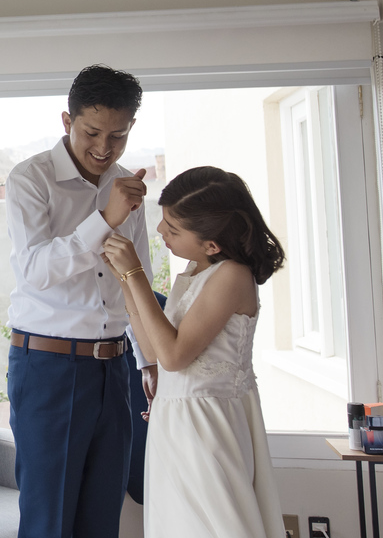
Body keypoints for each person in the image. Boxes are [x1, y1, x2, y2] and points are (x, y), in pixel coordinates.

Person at [4, 65, 157, 538]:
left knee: (102, 519)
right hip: (49, 367)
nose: (104, 148)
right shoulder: (31, 179)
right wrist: (106, 218)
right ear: (67, 121)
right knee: (50, 522)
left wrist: (150, 359)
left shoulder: (128, 184)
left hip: (117, 368)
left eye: (119, 135)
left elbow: (139, 277)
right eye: (92, 132)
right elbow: (35, 270)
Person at [103, 166, 286, 538]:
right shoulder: (197, 269)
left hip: (206, 425)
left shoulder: (232, 275)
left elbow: (174, 357)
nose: (160, 232)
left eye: (172, 229)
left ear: (212, 244)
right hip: (178, 421)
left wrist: (136, 272)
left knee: (212, 525)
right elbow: (154, 348)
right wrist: (124, 279)